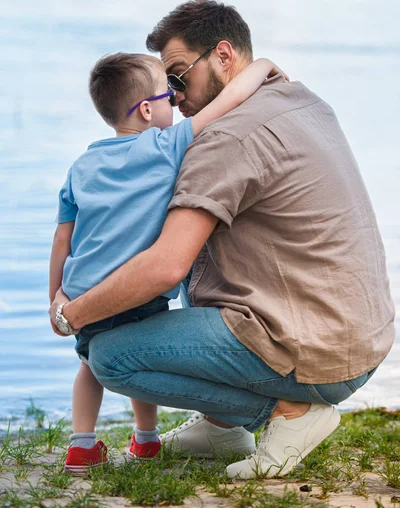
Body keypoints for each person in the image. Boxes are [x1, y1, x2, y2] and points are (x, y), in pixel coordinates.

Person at [50, 0, 395, 480]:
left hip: (310, 353)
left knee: (109, 356)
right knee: (189, 239)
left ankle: (287, 415)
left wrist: (70, 313)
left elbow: (166, 268)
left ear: (224, 56)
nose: (174, 94)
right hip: (354, 337)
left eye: (177, 77)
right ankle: (220, 425)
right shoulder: (302, 100)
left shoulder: (224, 139)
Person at [49, 50, 280, 474]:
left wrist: (56, 300)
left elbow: (63, 237)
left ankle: (81, 446)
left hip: (83, 293)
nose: (176, 103)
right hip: (138, 290)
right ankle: (146, 440)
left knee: (88, 368)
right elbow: (225, 104)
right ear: (147, 108)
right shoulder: (166, 145)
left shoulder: (81, 166)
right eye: (170, 97)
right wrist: (262, 66)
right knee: (141, 359)